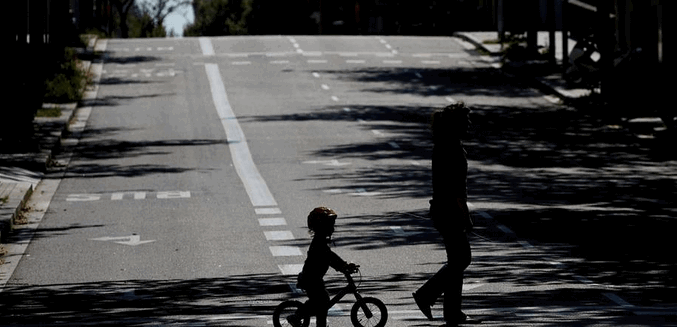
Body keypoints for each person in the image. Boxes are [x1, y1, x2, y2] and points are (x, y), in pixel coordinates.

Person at [412, 102, 480, 326]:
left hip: (442, 209)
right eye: (465, 121)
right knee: (462, 259)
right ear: (456, 124)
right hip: (449, 210)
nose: (469, 125)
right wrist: (465, 215)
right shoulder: (451, 148)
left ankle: (452, 312)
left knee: (456, 261)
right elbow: (457, 188)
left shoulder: (443, 145)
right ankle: (426, 294)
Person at [289, 207, 357, 327]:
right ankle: (297, 316)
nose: (332, 228)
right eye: (329, 225)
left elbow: (331, 257)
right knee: (321, 301)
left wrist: (343, 265)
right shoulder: (319, 243)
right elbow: (330, 258)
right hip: (311, 279)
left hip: (315, 279)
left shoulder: (321, 241)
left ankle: (319, 323)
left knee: (322, 301)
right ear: (320, 226)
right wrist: (343, 266)